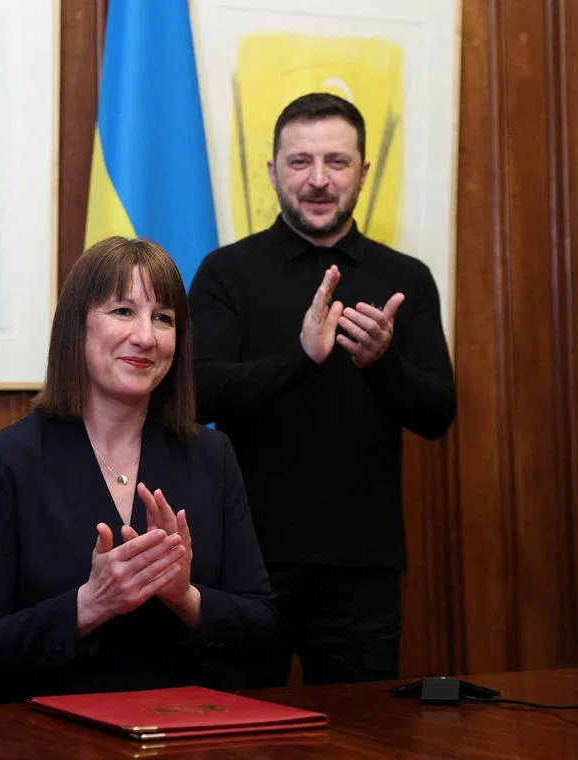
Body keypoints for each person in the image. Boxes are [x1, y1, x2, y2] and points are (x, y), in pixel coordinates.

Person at [188, 92, 456, 687]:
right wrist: (301, 359)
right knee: (236, 741)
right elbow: (197, 393)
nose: (317, 180)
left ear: (363, 171)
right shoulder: (226, 272)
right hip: (244, 563)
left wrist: (380, 362)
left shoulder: (406, 278)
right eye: (299, 161)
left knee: (365, 742)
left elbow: (439, 411)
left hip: (362, 569)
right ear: (272, 172)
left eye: (336, 161)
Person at [0, 237, 277, 703]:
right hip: (49, 738)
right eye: (123, 311)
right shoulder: (6, 461)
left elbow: (264, 633)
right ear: (76, 326)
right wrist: (90, 605)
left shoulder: (212, 455)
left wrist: (187, 599)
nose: (145, 336)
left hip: (185, 733)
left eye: (163, 318)